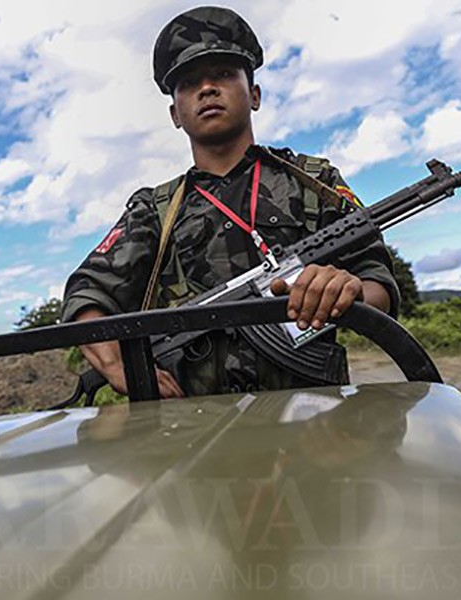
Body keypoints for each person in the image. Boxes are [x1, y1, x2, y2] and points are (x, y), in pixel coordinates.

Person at [61, 6, 400, 398]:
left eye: (223, 74)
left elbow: (381, 285)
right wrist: (120, 367)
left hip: (314, 424)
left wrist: (350, 291)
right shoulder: (155, 209)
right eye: (188, 83)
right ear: (175, 114)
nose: (207, 89)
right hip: (194, 429)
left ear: (254, 95)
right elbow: (87, 293)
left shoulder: (313, 181)